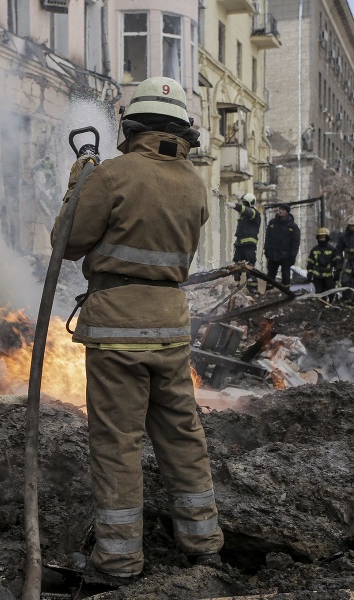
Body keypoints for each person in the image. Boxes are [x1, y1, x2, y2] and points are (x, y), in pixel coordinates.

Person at [52, 76, 223, 584]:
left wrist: (78, 183)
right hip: (171, 329)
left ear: (131, 126)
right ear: (182, 132)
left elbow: (68, 243)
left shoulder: (111, 175)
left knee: (118, 443)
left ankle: (120, 561)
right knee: (183, 435)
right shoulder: (195, 183)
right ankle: (203, 542)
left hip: (117, 332)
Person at [228, 192, 261, 293]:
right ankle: (236, 286)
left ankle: (253, 287)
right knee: (236, 265)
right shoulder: (244, 216)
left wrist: (235, 206)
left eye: (244, 203)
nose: (243, 204)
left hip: (249, 245)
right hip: (240, 245)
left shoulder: (254, 213)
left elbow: (247, 211)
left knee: (249, 265)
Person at [263, 203, 300, 286]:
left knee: (286, 277)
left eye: (283, 210)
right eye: (280, 209)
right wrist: (267, 249)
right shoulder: (272, 223)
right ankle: (268, 293)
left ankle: (286, 293)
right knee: (270, 276)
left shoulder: (293, 226)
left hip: (286, 256)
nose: (280, 211)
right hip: (273, 254)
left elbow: (296, 242)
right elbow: (268, 237)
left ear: (287, 212)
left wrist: (293, 255)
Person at [306, 227, 338, 294]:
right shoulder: (314, 249)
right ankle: (320, 304)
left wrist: (337, 274)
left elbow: (337, 262)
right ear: (318, 238)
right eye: (320, 237)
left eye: (323, 237)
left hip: (329, 276)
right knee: (319, 293)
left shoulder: (332, 249)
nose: (322, 239)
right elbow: (310, 262)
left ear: (327, 238)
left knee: (331, 293)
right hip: (317, 276)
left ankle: (329, 304)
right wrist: (309, 273)